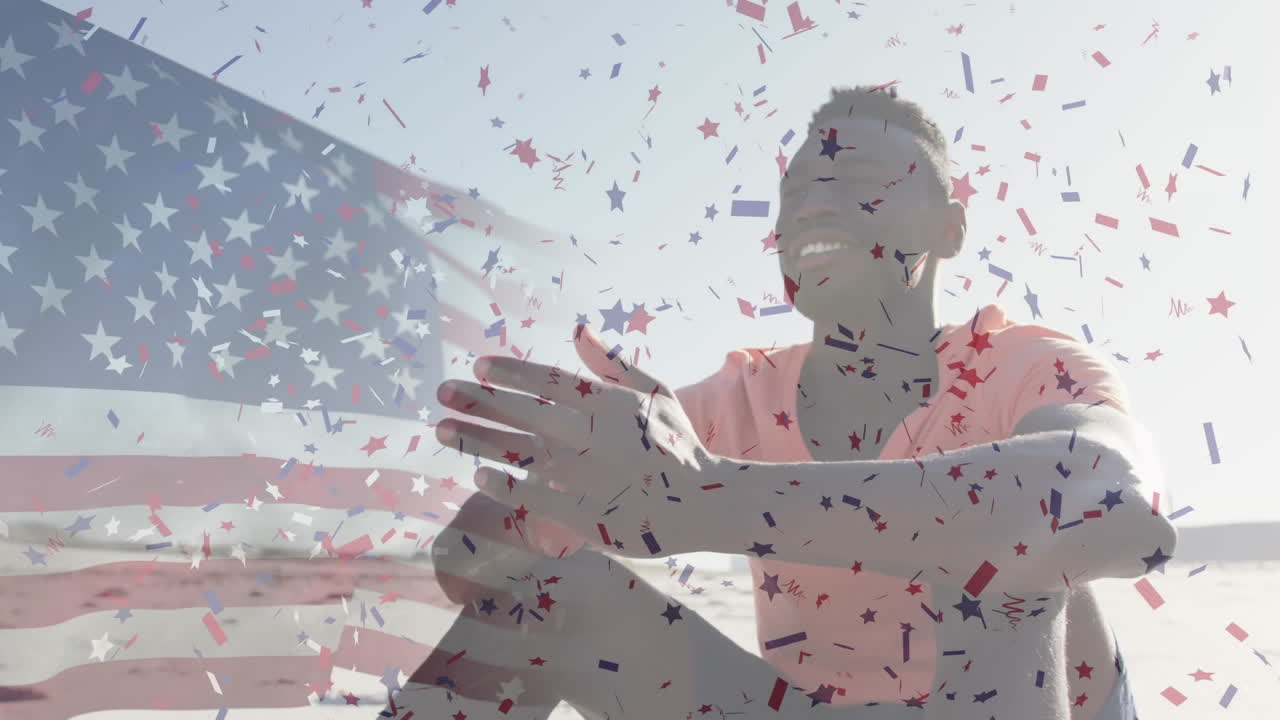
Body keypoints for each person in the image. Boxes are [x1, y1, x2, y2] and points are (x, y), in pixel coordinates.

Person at [386, 85, 1173, 719]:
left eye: (863, 184)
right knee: (554, 596)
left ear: (948, 228)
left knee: (1004, 554)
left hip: (1026, 699)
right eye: (799, 191)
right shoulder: (738, 400)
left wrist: (707, 500)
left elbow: (1115, 505)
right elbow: (473, 561)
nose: (815, 207)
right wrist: (533, 510)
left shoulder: (1024, 366)